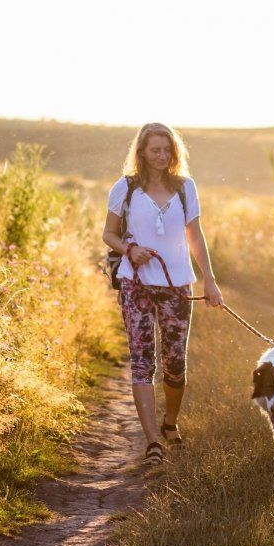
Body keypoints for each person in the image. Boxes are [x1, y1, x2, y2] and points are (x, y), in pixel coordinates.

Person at [102, 122, 223, 466]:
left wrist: (209, 280)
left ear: (174, 152)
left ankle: (170, 422)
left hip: (177, 287)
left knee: (175, 362)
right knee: (142, 360)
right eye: (154, 149)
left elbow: (195, 236)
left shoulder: (186, 188)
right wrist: (129, 249)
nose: (161, 155)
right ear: (141, 152)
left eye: (167, 149)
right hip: (135, 284)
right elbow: (108, 234)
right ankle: (153, 440)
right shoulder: (124, 189)